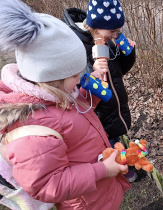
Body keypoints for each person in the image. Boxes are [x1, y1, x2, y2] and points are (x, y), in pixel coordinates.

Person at [0, 0, 130, 209]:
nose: (80, 79)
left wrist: (90, 94)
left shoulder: (57, 95)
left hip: (100, 193)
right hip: (86, 202)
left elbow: (73, 115)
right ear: (52, 78)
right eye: (74, 75)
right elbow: (47, 184)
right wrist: (102, 170)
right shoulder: (33, 130)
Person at [62, 0, 138, 182]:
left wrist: (128, 53)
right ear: (96, 27)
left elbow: (121, 71)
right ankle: (118, 168)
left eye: (118, 31)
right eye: (112, 31)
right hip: (98, 110)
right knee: (107, 141)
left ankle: (118, 160)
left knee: (115, 135)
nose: (115, 35)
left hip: (114, 104)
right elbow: (74, 82)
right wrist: (92, 69)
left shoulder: (108, 41)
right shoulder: (77, 47)